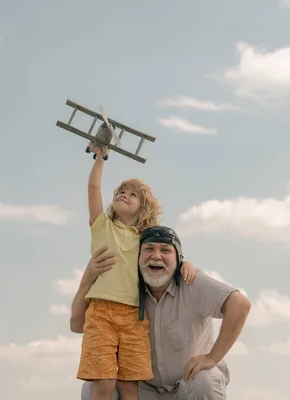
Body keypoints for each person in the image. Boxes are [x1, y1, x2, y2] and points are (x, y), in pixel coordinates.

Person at [72, 225, 252, 399]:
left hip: (186, 386)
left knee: (204, 381)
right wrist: (87, 280)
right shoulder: (125, 290)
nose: (156, 256)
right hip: (144, 391)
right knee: (92, 389)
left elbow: (240, 305)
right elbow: (77, 325)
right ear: (137, 257)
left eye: (166, 250)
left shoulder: (192, 282)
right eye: (148, 249)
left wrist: (212, 358)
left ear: (178, 258)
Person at [78, 144, 197, 400]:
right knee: (104, 381)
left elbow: (168, 252)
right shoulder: (102, 226)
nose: (123, 195)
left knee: (130, 384)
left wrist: (185, 263)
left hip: (135, 315)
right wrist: (101, 157)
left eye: (132, 194)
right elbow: (93, 188)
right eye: (121, 191)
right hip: (101, 313)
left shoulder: (146, 239)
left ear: (143, 209)